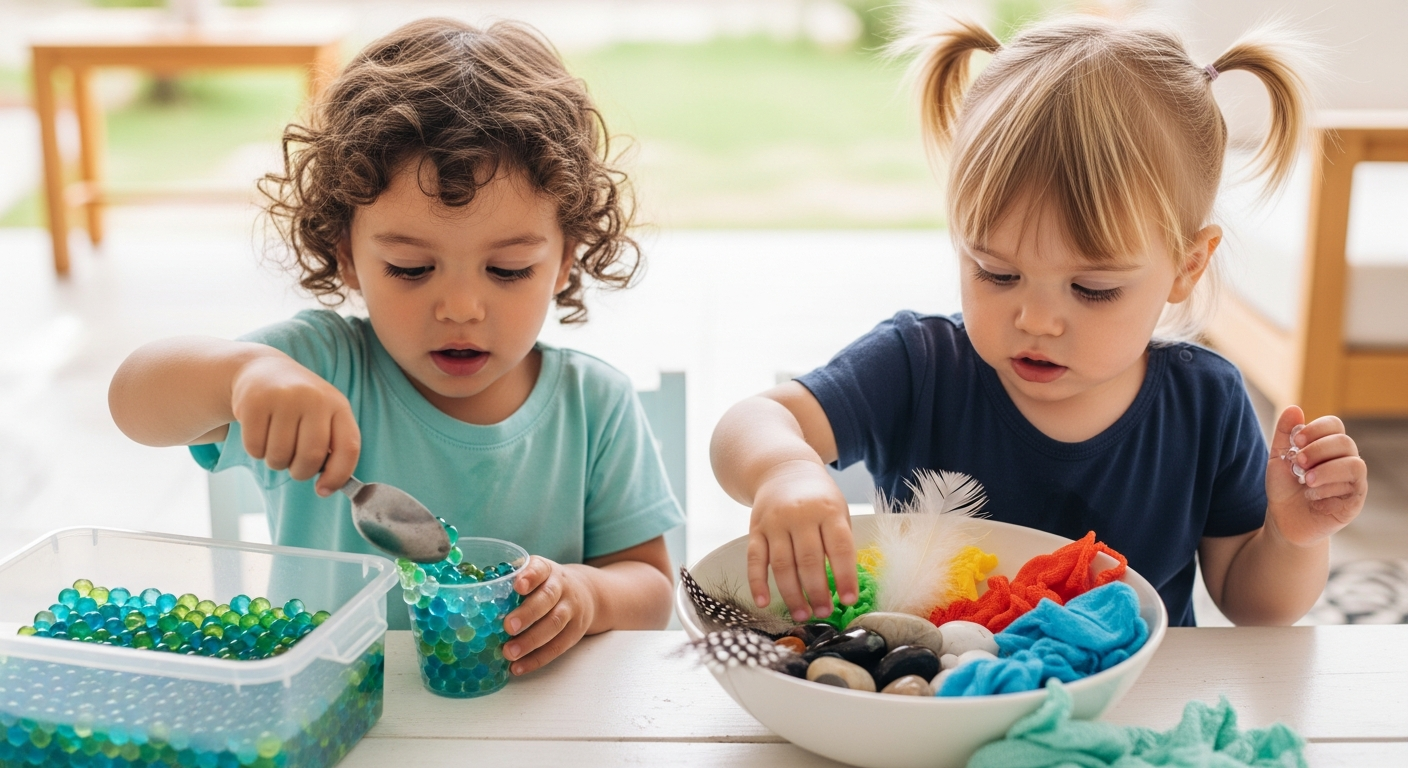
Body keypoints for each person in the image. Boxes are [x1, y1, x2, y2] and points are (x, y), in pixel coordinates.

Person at [710, 14, 1367, 628]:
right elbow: (751, 424)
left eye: (1092, 287)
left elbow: (1255, 608)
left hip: (1127, 717)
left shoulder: (1205, 402)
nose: (1036, 319)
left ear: (1186, 267)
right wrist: (785, 471)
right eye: (996, 273)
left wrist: (1291, 536)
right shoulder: (920, 363)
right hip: (932, 705)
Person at [108, 18, 683, 674]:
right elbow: (133, 397)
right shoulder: (317, 368)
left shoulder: (594, 406)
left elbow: (649, 587)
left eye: (509, 270)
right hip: (332, 715)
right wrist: (244, 375)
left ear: (564, 260)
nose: (460, 308)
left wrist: (585, 595)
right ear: (347, 257)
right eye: (411, 269)